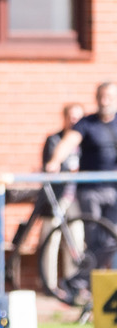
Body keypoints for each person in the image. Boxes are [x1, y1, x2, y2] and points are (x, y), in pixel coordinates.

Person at [46, 83, 117, 223]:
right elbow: (68, 142)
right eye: (101, 97)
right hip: (90, 188)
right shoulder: (86, 123)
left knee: (112, 236)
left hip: (114, 186)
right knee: (93, 232)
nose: (104, 101)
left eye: (108, 97)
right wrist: (55, 161)